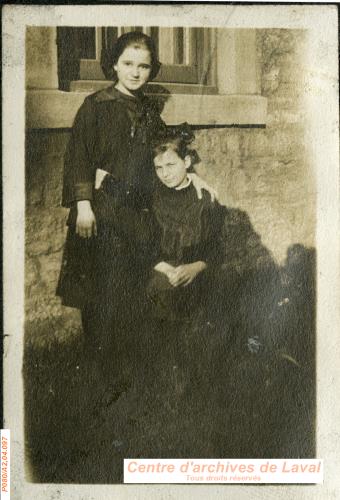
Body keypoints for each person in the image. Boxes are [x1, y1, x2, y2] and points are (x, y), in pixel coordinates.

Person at [56, 32, 216, 393]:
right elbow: (78, 157)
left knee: (127, 291)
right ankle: (101, 380)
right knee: (101, 296)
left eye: (143, 66)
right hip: (100, 213)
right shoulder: (95, 105)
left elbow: (166, 150)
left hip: (134, 215)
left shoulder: (148, 111)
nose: (135, 72)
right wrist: (83, 206)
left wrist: (195, 175)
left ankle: (128, 372)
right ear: (114, 64)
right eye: (128, 63)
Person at [145, 125, 226, 396]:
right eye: (159, 168)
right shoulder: (151, 199)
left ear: (187, 162)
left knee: (210, 312)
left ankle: (204, 374)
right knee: (164, 296)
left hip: (198, 271)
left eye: (171, 164)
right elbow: (143, 247)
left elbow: (216, 247)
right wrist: (168, 270)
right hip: (161, 270)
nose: (165, 174)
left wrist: (196, 267)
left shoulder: (206, 200)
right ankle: (171, 376)